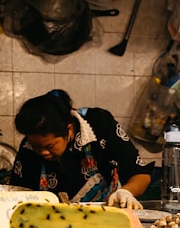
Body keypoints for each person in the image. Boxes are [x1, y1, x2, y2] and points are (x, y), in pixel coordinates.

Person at [8, 89, 152, 209]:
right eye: (36, 147)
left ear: (69, 130)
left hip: (107, 219)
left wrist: (126, 192)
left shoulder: (100, 125)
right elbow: (16, 195)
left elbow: (140, 175)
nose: (42, 152)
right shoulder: (29, 146)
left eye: (49, 146)